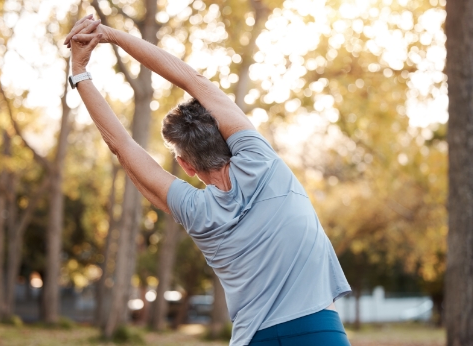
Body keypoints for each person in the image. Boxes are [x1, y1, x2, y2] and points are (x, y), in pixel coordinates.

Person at [65, 14, 352, 346]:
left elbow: (122, 146)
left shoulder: (195, 211)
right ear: (228, 136)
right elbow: (191, 79)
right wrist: (109, 34)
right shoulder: (261, 162)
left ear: (186, 166)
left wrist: (79, 71)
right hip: (319, 332)